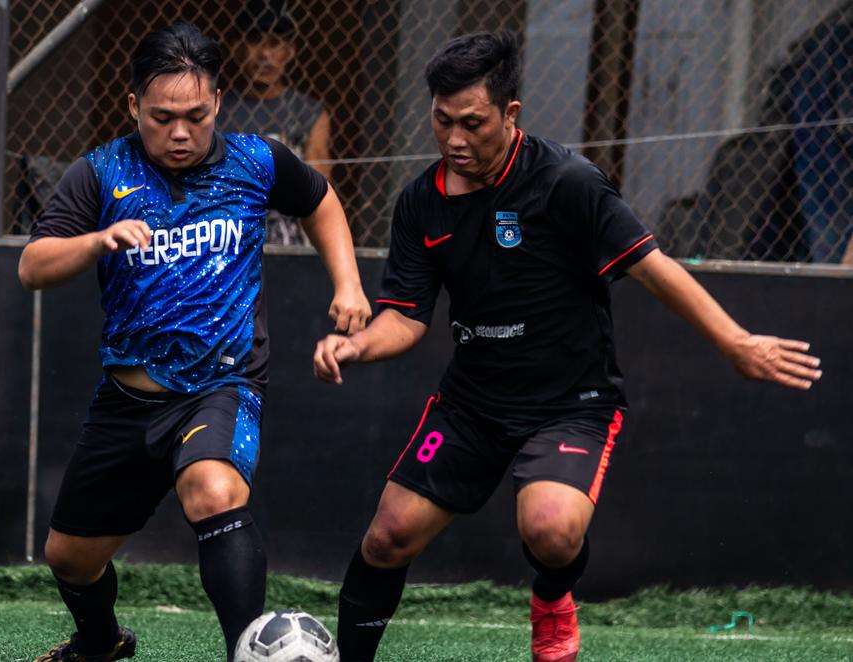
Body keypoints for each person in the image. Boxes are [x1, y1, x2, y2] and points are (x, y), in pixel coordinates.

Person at [312, 32, 823, 662]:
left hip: (570, 402)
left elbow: (653, 268)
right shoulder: (421, 203)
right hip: (472, 404)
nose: (454, 140)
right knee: (387, 537)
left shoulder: (567, 182)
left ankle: (554, 594)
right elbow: (408, 319)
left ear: (511, 113)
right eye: (442, 122)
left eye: (472, 123)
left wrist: (736, 342)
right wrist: (356, 346)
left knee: (551, 531)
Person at [20, 22, 370, 662]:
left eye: (196, 115)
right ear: (133, 107)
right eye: (161, 118)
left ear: (216, 102)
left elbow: (320, 200)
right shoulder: (101, 172)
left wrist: (347, 285)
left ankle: (246, 651)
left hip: (221, 384)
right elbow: (33, 265)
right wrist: (98, 240)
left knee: (213, 488)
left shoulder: (254, 160)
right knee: (69, 558)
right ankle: (99, 642)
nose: (180, 133)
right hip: (128, 399)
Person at [221, 0, 332, 245]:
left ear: (290, 51)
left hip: (292, 240)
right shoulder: (217, 112)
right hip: (232, 240)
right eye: (255, 41)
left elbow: (319, 189)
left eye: (275, 43)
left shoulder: (308, 113)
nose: (265, 55)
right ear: (236, 47)